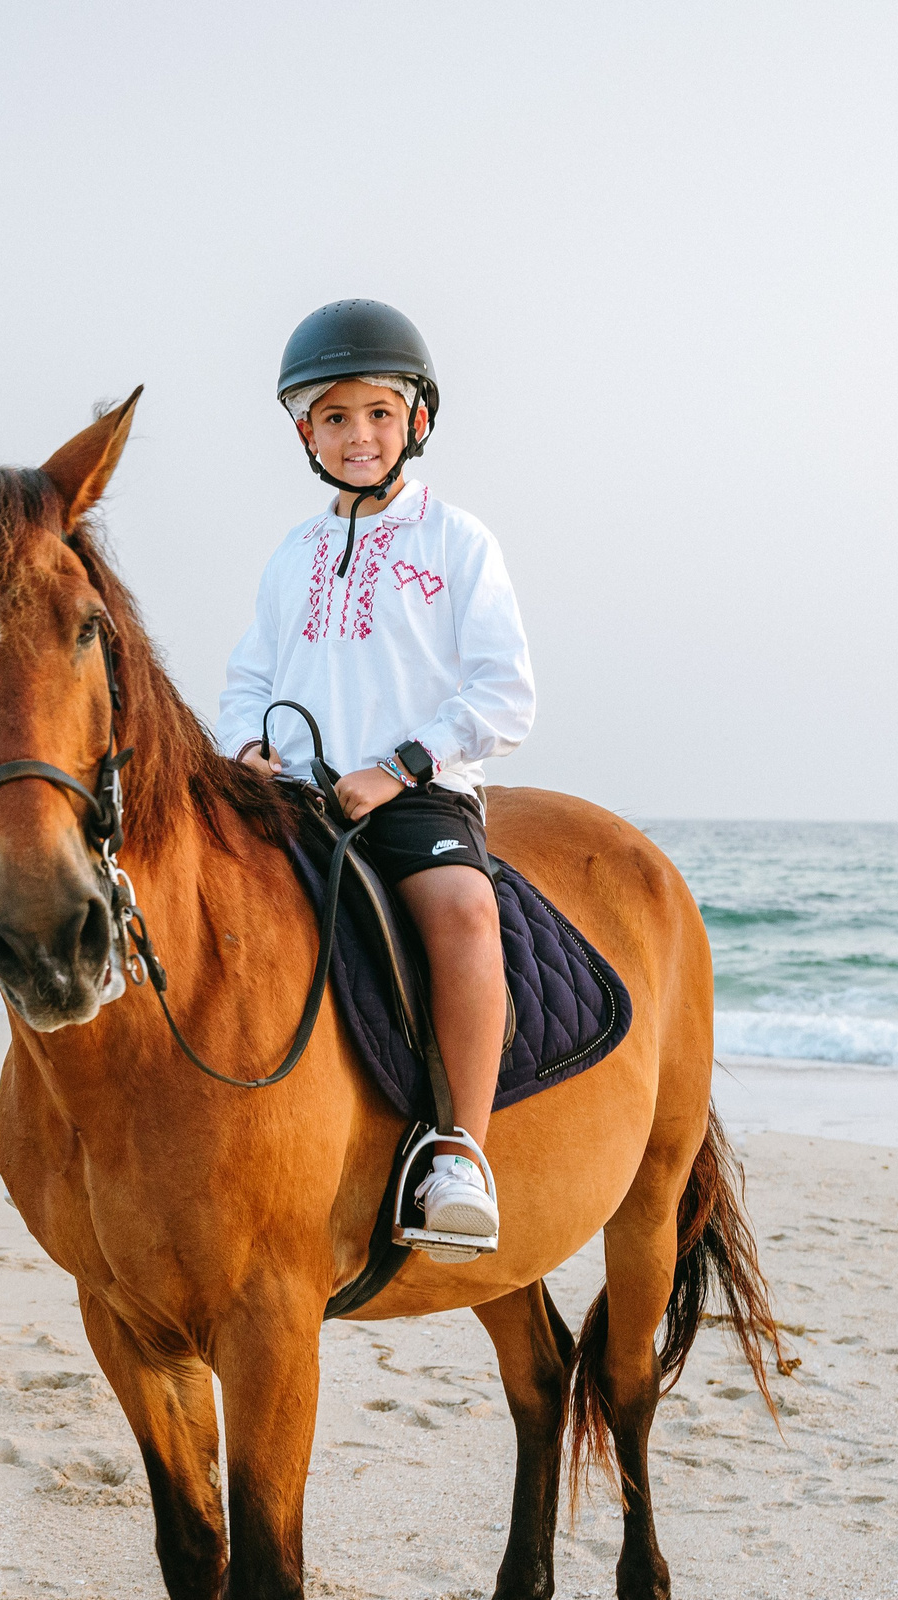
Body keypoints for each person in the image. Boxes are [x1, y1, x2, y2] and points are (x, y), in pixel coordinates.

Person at [215, 299, 537, 1260]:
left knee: (464, 915)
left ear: (417, 422)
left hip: (415, 793)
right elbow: (249, 680)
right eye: (336, 418)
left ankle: (459, 1152)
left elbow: (504, 694)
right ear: (307, 433)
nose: (360, 436)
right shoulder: (293, 555)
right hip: (295, 794)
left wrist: (398, 768)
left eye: (379, 415)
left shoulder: (458, 542)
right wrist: (245, 749)